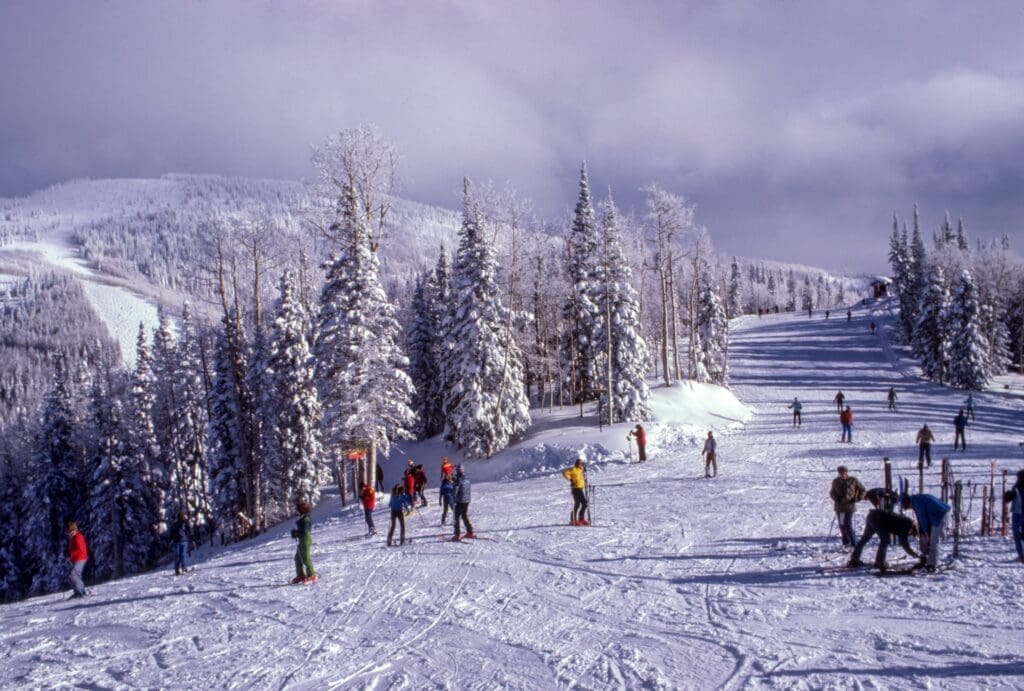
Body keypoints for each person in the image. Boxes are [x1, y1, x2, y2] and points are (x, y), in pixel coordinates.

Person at [847, 489, 919, 571]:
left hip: (873, 516)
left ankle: (854, 559)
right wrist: (914, 555)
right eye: (913, 534)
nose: (911, 535)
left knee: (865, 538)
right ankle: (880, 562)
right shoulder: (907, 525)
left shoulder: (908, 523)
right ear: (913, 530)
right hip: (877, 519)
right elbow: (904, 543)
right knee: (885, 539)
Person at [902, 492, 951, 572]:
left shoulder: (917, 503)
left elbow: (922, 519)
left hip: (940, 516)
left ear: (909, 503)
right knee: (929, 540)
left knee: (934, 541)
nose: (910, 508)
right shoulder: (916, 499)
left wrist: (925, 532)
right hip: (936, 515)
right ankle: (928, 561)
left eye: (909, 507)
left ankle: (932, 565)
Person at [830, 466, 866, 548]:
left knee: (848, 525)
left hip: (850, 506)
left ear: (847, 473)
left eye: (844, 473)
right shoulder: (836, 481)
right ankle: (846, 543)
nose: (843, 475)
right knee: (842, 525)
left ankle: (854, 544)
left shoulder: (853, 480)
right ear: (839, 473)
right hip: (840, 507)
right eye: (841, 473)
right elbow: (832, 493)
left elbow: (862, 489)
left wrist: (858, 498)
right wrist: (837, 499)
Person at [291, 501, 316, 584]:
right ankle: (301, 575)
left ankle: (312, 575)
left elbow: (304, 531)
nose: (297, 511)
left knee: (305, 558)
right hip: (302, 539)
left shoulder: (306, 518)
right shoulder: (303, 517)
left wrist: (296, 533)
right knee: (297, 558)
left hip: (305, 539)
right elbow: (302, 530)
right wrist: (296, 532)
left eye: (299, 509)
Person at [1002, 470, 1024, 563]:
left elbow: (1007, 498)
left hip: (1018, 514)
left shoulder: (1017, 488)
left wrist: (1006, 495)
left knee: (1018, 536)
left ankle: (1022, 556)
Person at [561, 457, 589, 526]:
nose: (582, 465)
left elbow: (582, 475)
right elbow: (564, 473)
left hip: (580, 488)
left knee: (582, 504)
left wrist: (584, 470)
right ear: (577, 464)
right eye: (581, 463)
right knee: (581, 504)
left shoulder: (580, 470)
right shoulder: (573, 469)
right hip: (575, 489)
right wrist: (571, 479)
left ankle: (580, 519)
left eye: (582, 464)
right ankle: (573, 519)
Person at [66, 522, 89, 598]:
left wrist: (70, 555)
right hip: (76, 558)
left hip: (80, 558)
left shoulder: (78, 537)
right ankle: (77, 591)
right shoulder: (73, 538)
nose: (68, 534)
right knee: (74, 575)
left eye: (69, 531)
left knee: (73, 575)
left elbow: (80, 549)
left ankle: (80, 591)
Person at [452, 465, 475, 540]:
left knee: (456, 517)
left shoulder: (459, 479)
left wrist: (453, 485)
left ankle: (457, 534)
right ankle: (470, 532)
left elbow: (456, 489)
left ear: (458, 470)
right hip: (467, 500)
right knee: (464, 516)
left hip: (460, 500)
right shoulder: (467, 478)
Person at [170, 511, 189, 576]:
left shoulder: (185, 523)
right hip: (177, 542)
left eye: (182, 517)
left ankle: (183, 567)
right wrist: (170, 539)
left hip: (184, 541)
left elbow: (189, 530)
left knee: (182, 555)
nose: (181, 518)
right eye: (181, 517)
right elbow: (172, 533)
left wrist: (191, 536)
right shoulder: (175, 524)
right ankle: (177, 569)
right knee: (178, 555)